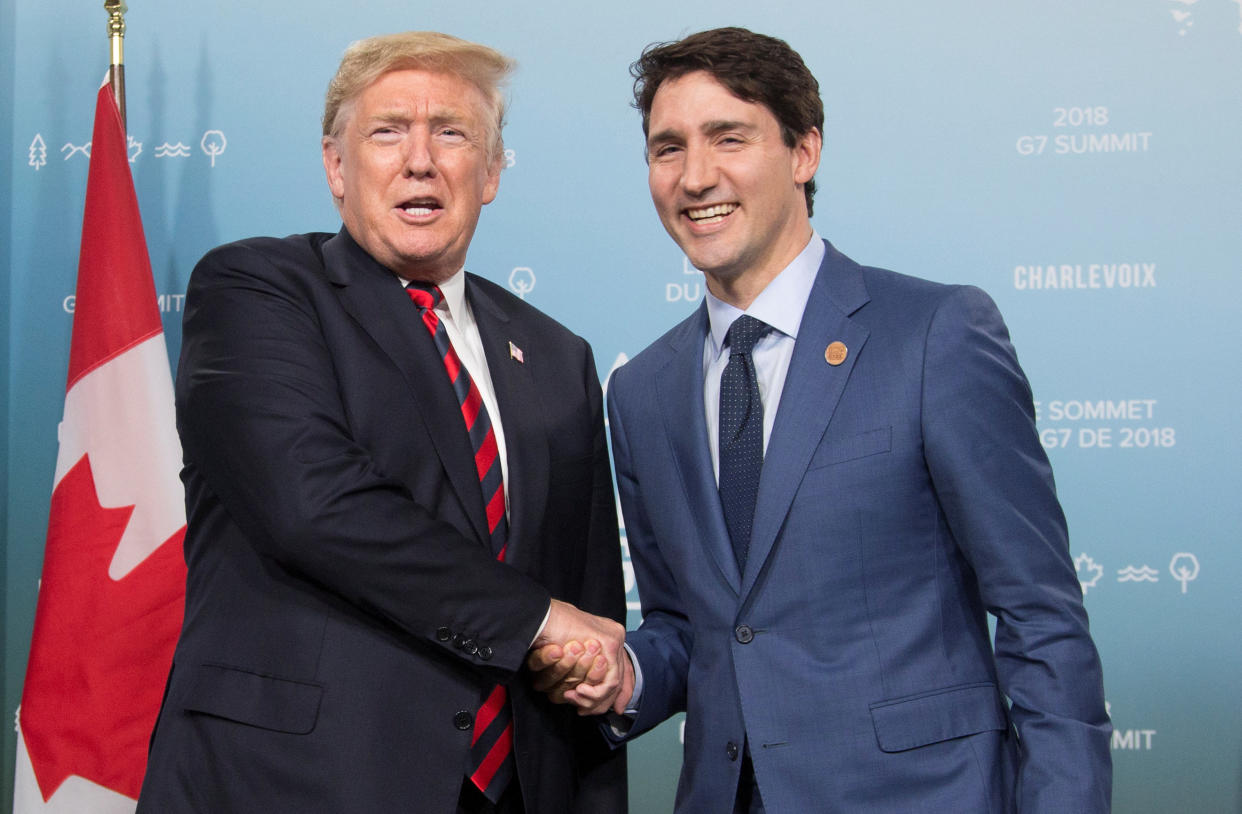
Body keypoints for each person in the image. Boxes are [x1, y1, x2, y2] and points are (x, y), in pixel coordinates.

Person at [532, 26, 1111, 813]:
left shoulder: (934, 334)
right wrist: (626, 673)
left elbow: (1040, 613)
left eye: (727, 138)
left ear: (804, 152)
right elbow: (692, 627)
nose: (695, 176)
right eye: (667, 149)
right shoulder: (642, 392)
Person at [137, 31, 627, 814]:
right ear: (336, 166)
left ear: (493, 171)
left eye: (453, 133)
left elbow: (589, 602)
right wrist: (537, 621)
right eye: (388, 130)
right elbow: (313, 506)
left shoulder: (557, 355)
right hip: (294, 786)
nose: (420, 159)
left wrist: (600, 668)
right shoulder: (259, 290)